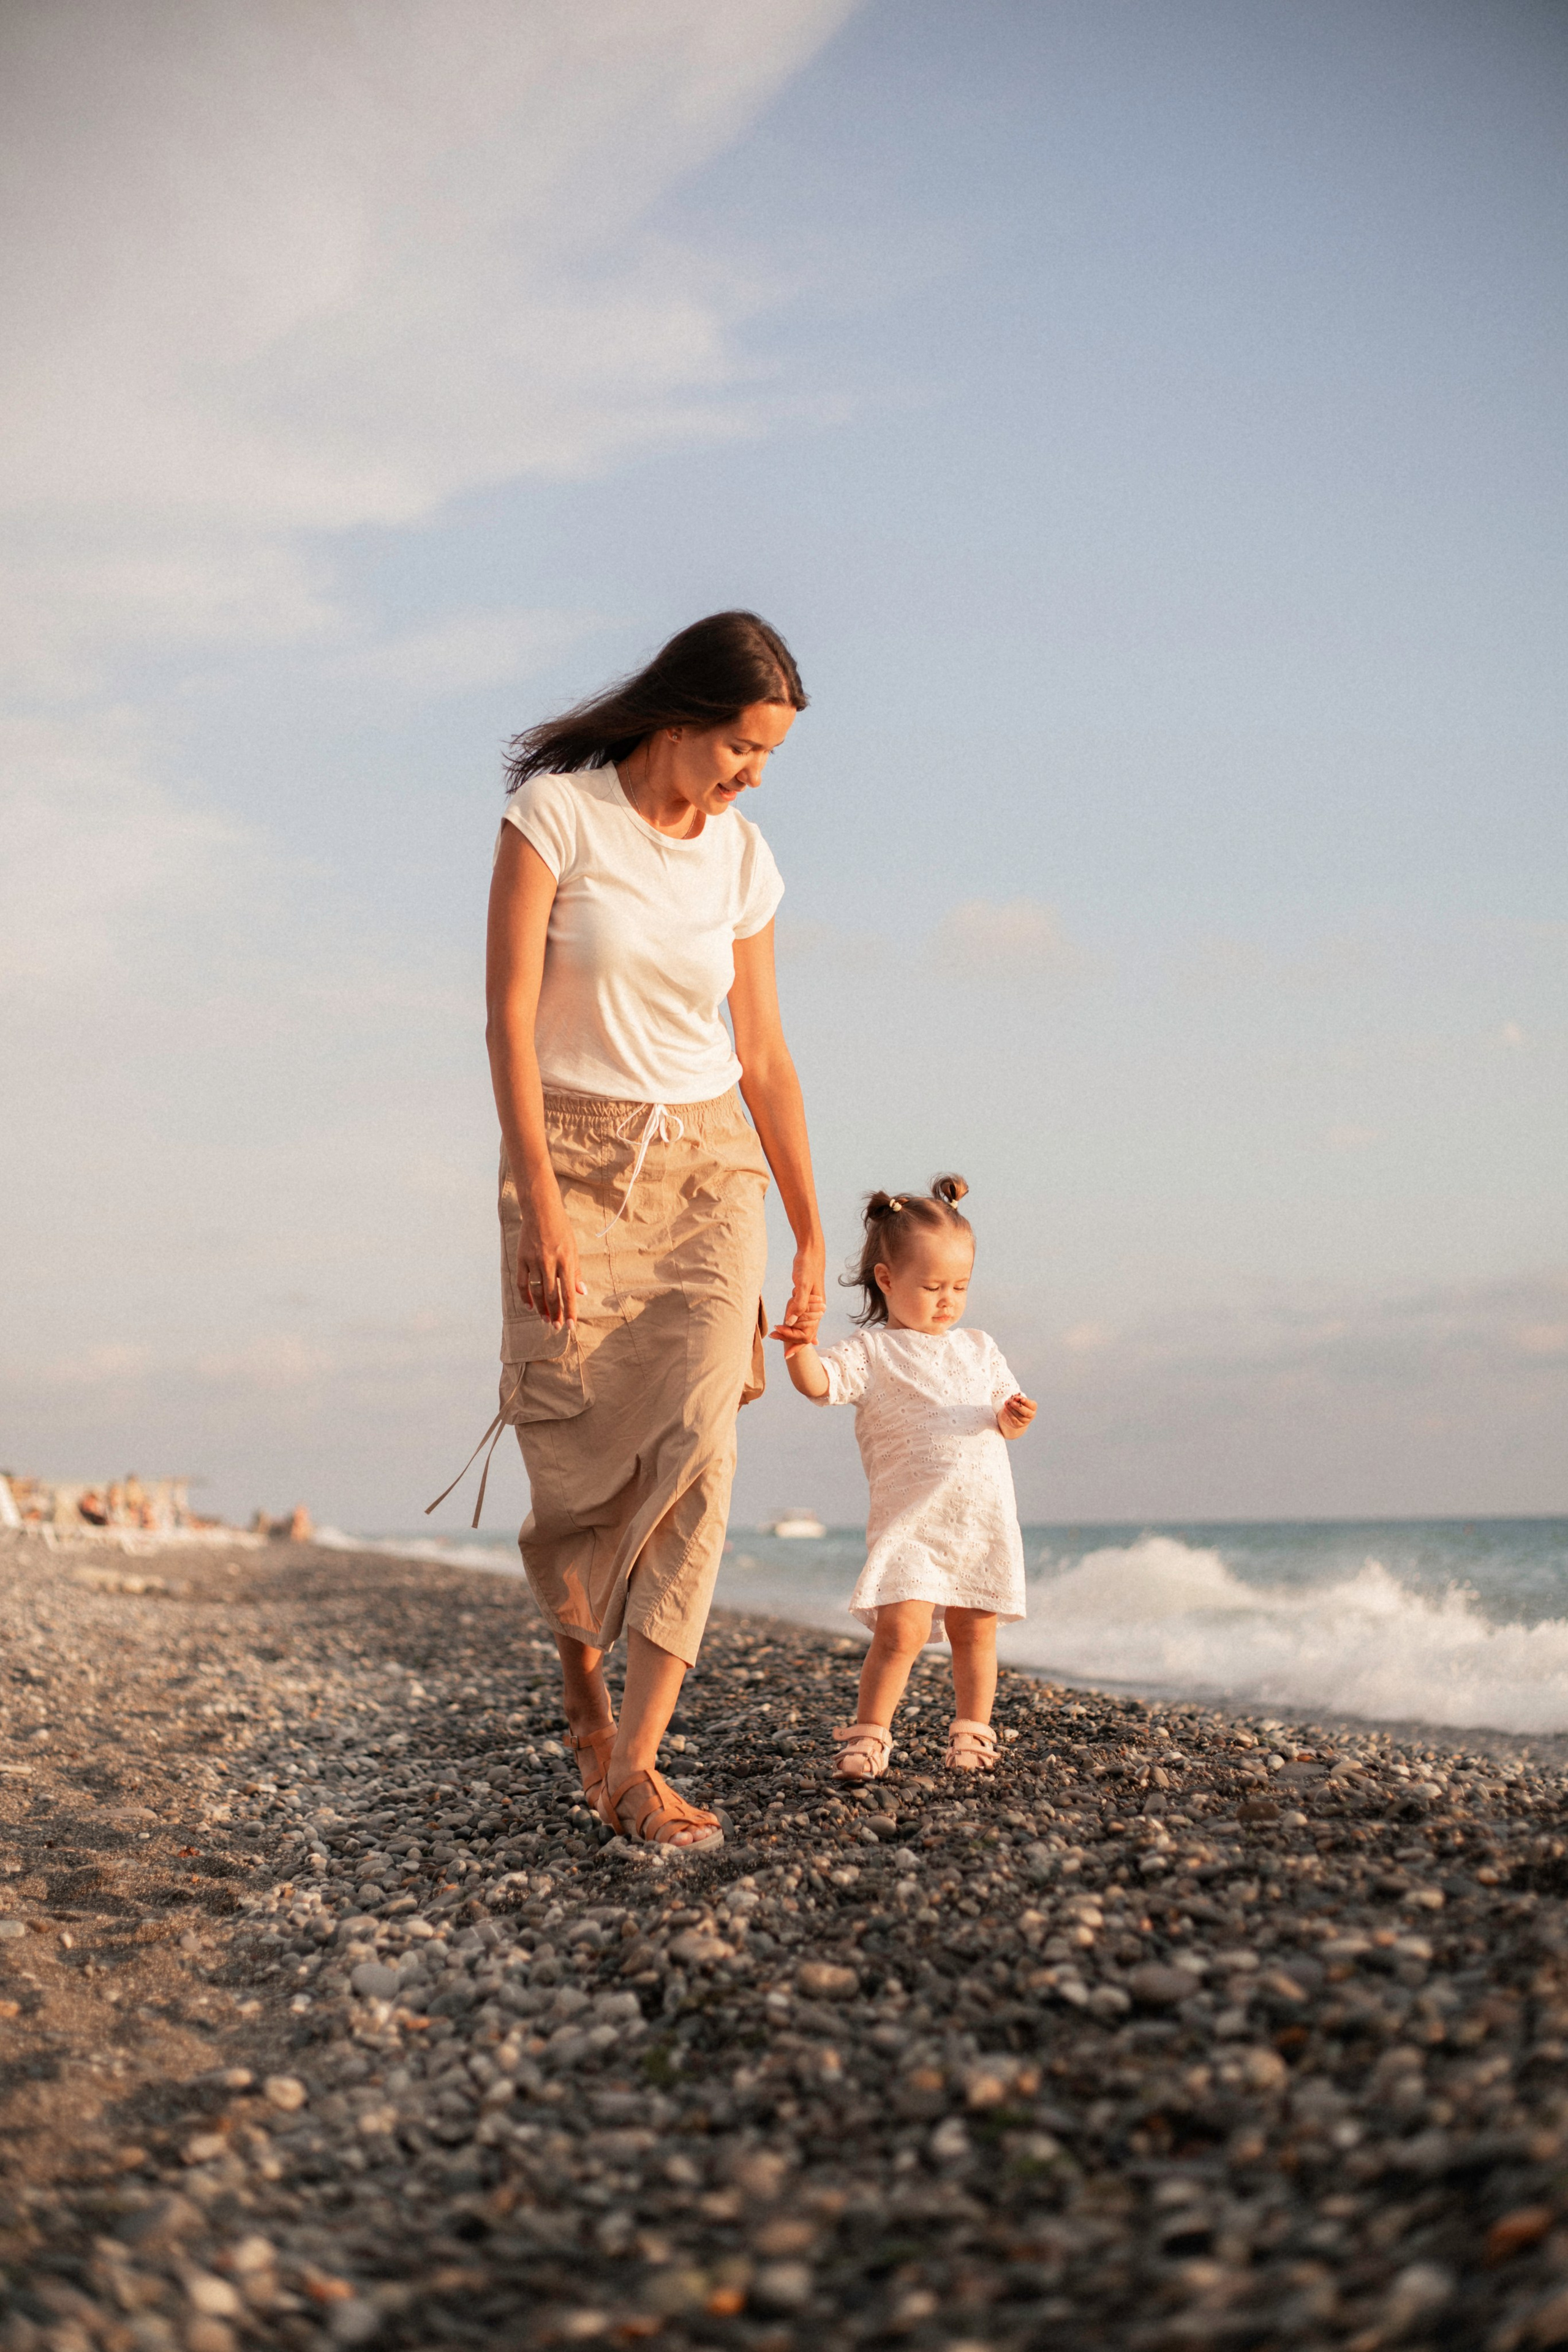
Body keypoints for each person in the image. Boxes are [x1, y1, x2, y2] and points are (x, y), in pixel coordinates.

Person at [470, 611, 826, 1852]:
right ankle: (580, 1691)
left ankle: (635, 1764)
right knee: (569, 1451)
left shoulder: (743, 859)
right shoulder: (557, 818)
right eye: (743, 747)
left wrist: (812, 1232)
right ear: (679, 723)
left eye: (769, 758)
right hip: (566, 1152)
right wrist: (538, 1201)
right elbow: (508, 1024)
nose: (752, 776)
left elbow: (765, 1058)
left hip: (706, 1165)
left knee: (697, 1447)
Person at [775, 1176, 1036, 1778]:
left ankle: (972, 1731)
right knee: (901, 1630)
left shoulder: (978, 1347)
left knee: (977, 1630)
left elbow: (1005, 1415)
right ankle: (869, 1735)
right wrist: (798, 1349)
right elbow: (820, 1385)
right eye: (932, 1286)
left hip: (980, 1517)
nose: (948, 1300)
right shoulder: (872, 1354)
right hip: (912, 1521)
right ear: (887, 1280)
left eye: (959, 1287)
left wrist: (1013, 1416)